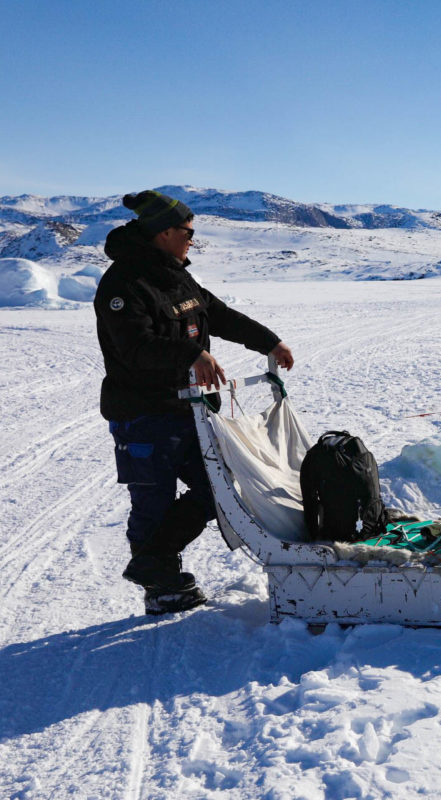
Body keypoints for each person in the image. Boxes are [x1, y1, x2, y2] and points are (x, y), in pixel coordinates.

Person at [94, 190, 295, 615]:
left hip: (192, 410)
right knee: (153, 500)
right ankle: (160, 585)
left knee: (215, 489)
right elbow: (134, 347)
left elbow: (217, 315)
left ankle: (153, 563)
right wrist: (190, 354)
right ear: (164, 232)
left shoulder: (176, 275)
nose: (192, 240)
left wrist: (269, 342)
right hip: (144, 414)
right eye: (188, 232)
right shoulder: (124, 284)